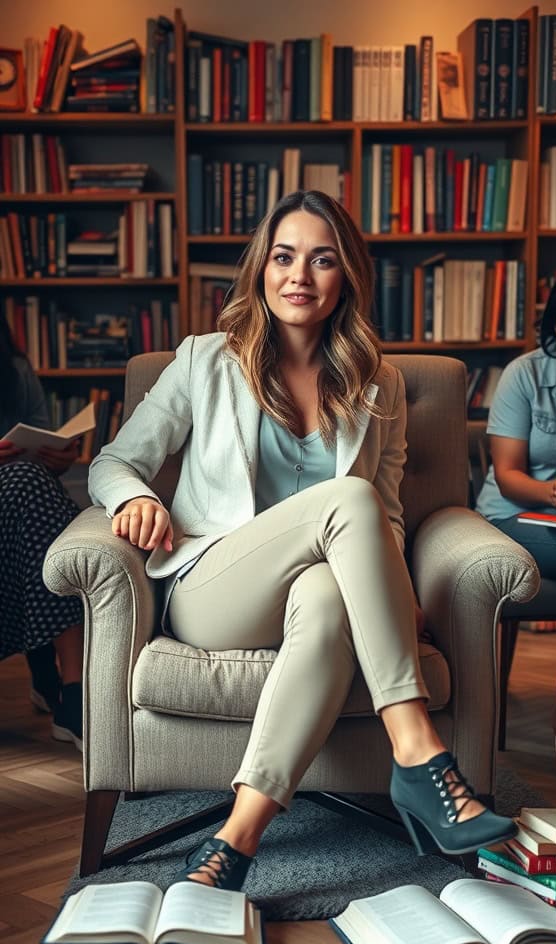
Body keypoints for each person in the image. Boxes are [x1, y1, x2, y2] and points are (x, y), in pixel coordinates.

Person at [89, 190, 516, 890]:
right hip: (213, 591)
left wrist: (395, 592)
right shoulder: (204, 361)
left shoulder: (378, 384)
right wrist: (135, 496)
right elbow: (113, 461)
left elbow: (388, 516)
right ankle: (419, 754)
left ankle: (234, 842)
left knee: (325, 597)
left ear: (345, 276)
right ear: (262, 268)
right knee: (344, 499)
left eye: (322, 260)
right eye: (284, 257)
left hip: (314, 595)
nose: (299, 276)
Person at [476, 264, 556, 781]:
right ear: (553, 328)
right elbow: (508, 475)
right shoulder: (525, 375)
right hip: (512, 517)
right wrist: (551, 491)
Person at [0, 314, 84, 751]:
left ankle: (68, 686)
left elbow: (41, 433)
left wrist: (57, 457)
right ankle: (60, 683)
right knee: (29, 484)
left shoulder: (13, 369)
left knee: (33, 481)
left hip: (17, 502)